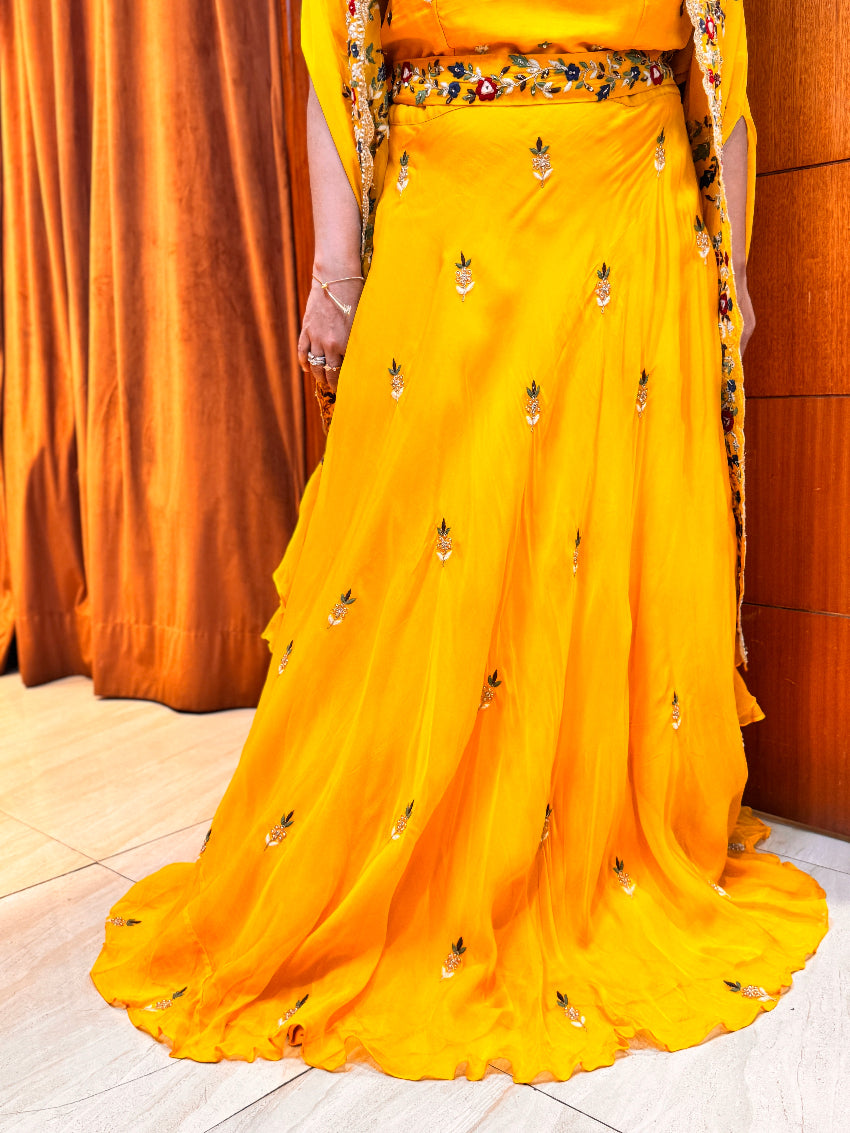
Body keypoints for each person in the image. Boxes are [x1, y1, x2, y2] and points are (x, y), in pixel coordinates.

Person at [91, 0, 828, 1082]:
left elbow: (721, 68)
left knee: (601, 538)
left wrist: (736, 268)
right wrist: (333, 270)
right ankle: (398, 863)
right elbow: (329, 60)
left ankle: (589, 843)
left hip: (629, 210)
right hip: (448, 224)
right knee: (427, 543)